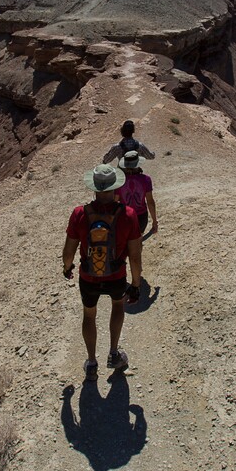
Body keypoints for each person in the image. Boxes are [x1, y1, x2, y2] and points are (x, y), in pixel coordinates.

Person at [62, 164, 143, 381]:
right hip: (116, 275)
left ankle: (91, 363)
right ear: (115, 187)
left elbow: (69, 250)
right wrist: (136, 284)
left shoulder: (80, 214)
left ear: (94, 187)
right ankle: (114, 354)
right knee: (117, 306)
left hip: (88, 277)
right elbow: (135, 256)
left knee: (89, 314)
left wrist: (67, 268)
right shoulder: (128, 214)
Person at [116, 151, 158, 237]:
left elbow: (115, 201)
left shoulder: (120, 181)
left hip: (125, 216)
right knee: (138, 240)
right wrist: (154, 221)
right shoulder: (146, 179)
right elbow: (150, 202)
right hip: (141, 217)